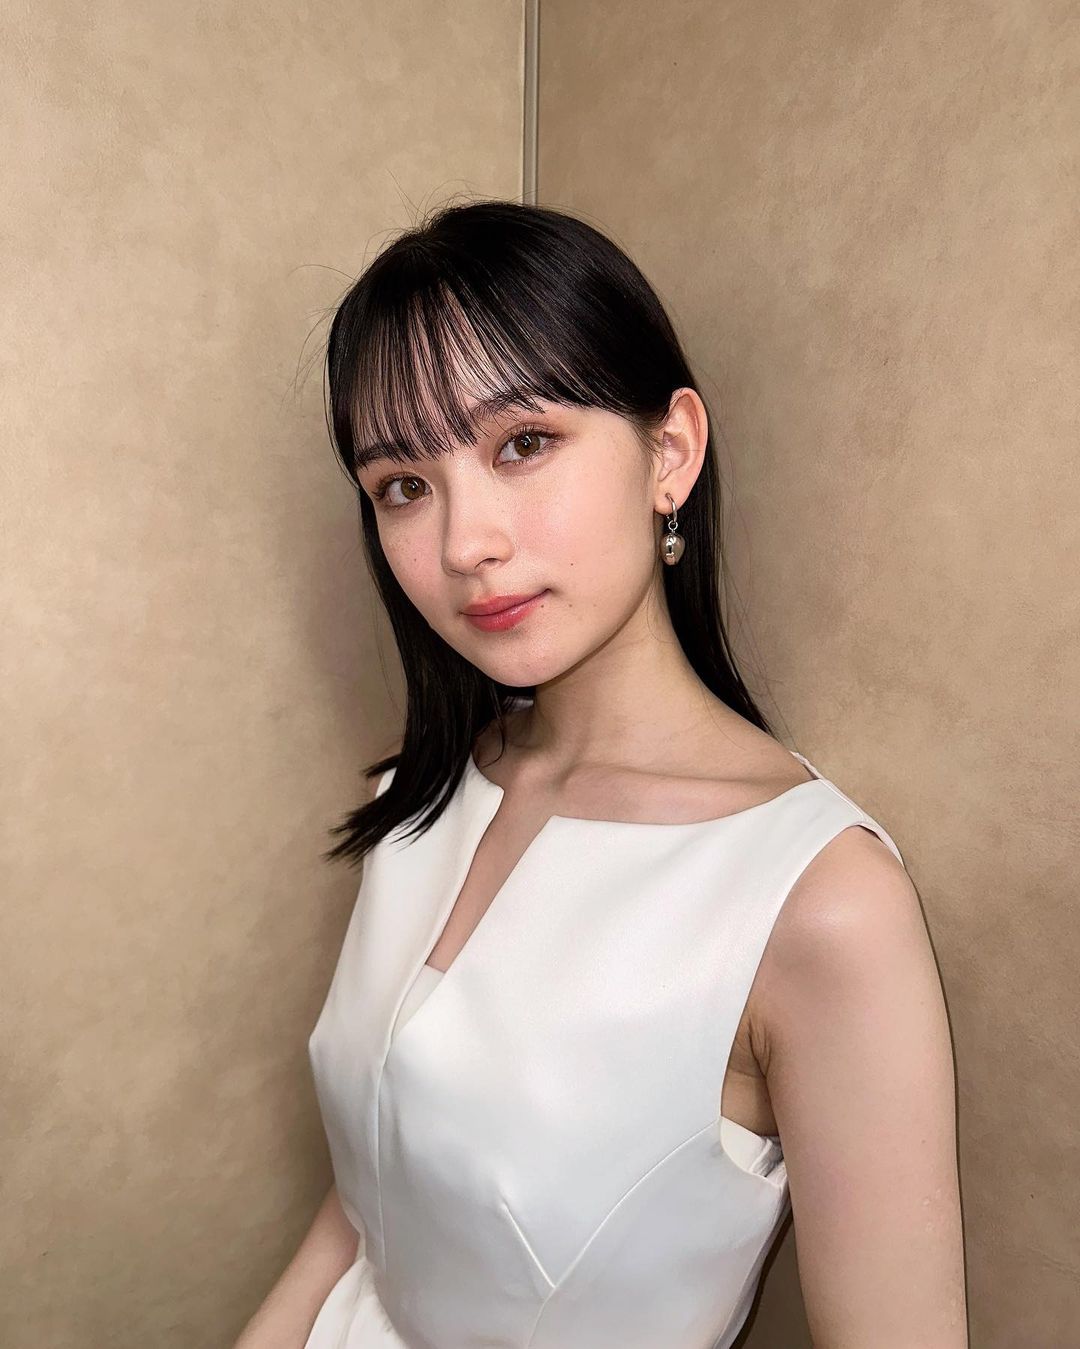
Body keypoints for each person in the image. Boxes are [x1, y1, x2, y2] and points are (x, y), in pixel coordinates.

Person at [234, 200, 967, 1348]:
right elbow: (370, 1202)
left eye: (522, 443)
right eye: (404, 484)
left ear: (669, 452)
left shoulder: (818, 904)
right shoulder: (416, 800)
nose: (465, 542)